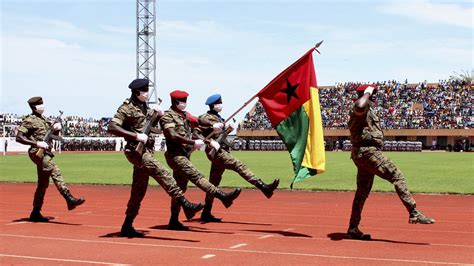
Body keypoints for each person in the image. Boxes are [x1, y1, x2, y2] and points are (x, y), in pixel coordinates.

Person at [108, 79, 204, 237]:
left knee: (138, 191)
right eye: (144, 90)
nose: (147, 93)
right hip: (135, 150)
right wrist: (136, 136)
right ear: (136, 92)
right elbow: (112, 127)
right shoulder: (126, 108)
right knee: (162, 172)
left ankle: (127, 225)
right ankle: (185, 204)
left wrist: (158, 116)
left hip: (145, 151)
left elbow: (150, 127)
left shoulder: (144, 106)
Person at [347, 84, 435, 240]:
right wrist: (366, 93)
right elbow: (360, 106)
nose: (374, 96)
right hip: (368, 152)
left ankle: (353, 228)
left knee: (361, 193)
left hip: (363, 154)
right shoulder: (360, 106)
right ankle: (413, 212)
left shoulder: (367, 109)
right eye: (373, 93)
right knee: (397, 176)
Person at [160, 90, 241, 231]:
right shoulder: (167, 116)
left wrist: (212, 125)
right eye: (182, 101)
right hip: (175, 155)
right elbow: (172, 135)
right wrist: (193, 142)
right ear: (175, 102)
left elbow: (198, 120)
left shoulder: (184, 114)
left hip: (184, 155)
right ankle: (222, 196)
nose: (185, 103)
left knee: (180, 189)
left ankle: (173, 220)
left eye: (185, 100)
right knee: (197, 176)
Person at [195, 94, 279, 222]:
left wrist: (228, 129)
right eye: (219, 103)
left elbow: (221, 134)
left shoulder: (219, 118)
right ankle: (263, 187)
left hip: (221, 150)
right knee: (239, 165)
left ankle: (206, 212)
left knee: (213, 183)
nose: (220, 105)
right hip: (216, 152)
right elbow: (201, 121)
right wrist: (213, 126)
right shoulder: (206, 117)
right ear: (213, 105)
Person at [15, 96, 85, 222]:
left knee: (43, 184)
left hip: (46, 152)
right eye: (39, 104)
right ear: (33, 107)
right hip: (37, 152)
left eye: (42, 103)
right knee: (55, 171)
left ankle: (35, 212)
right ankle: (69, 199)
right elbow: (19, 137)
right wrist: (37, 143)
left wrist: (57, 129)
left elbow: (54, 137)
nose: (42, 106)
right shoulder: (29, 120)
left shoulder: (45, 120)